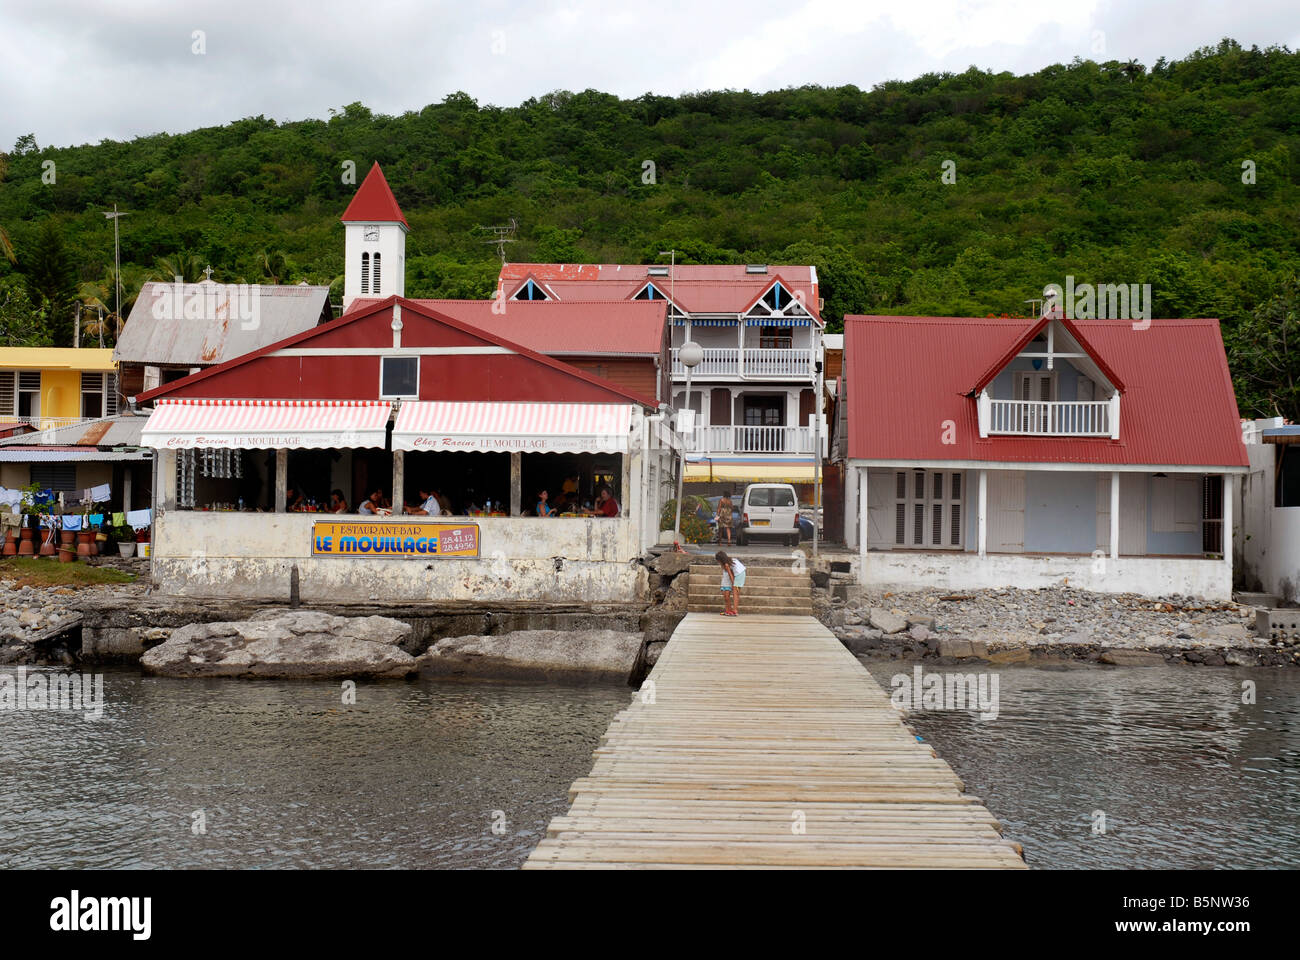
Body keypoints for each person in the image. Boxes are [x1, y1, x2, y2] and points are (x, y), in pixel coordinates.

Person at [716, 550, 746, 617]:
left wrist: (733, 584)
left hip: (739, 575)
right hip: (742, 572)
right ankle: (734, 610)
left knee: (735, 593)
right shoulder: (731, 560)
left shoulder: (726, 564)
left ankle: (735, 610)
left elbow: (730, 575)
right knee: (736, 593)